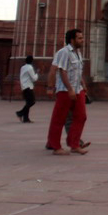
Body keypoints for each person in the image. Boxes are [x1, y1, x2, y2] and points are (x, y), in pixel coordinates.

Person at [46, 28, 88, 156]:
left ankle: (74, 144)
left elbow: (76, 71)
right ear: (72, 40)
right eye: (80, 38)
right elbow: (62, 71)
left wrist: (83, 83)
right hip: (65, 90)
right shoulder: (64, 52)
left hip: (77, 89)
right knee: (59, 118)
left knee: (81, 117)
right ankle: (55, 146)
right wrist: (68, 89)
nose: (82, 40)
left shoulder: (78, 53)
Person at [16, 56, 39, 123]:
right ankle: (20, 113)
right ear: (32, 61)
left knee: (28, 102)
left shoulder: (23, 67)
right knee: (32, 101)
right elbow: (34, 78)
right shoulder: (30, 68)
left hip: (24, 86)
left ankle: (26, 118)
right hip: (28, 87)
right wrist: (37, 73)